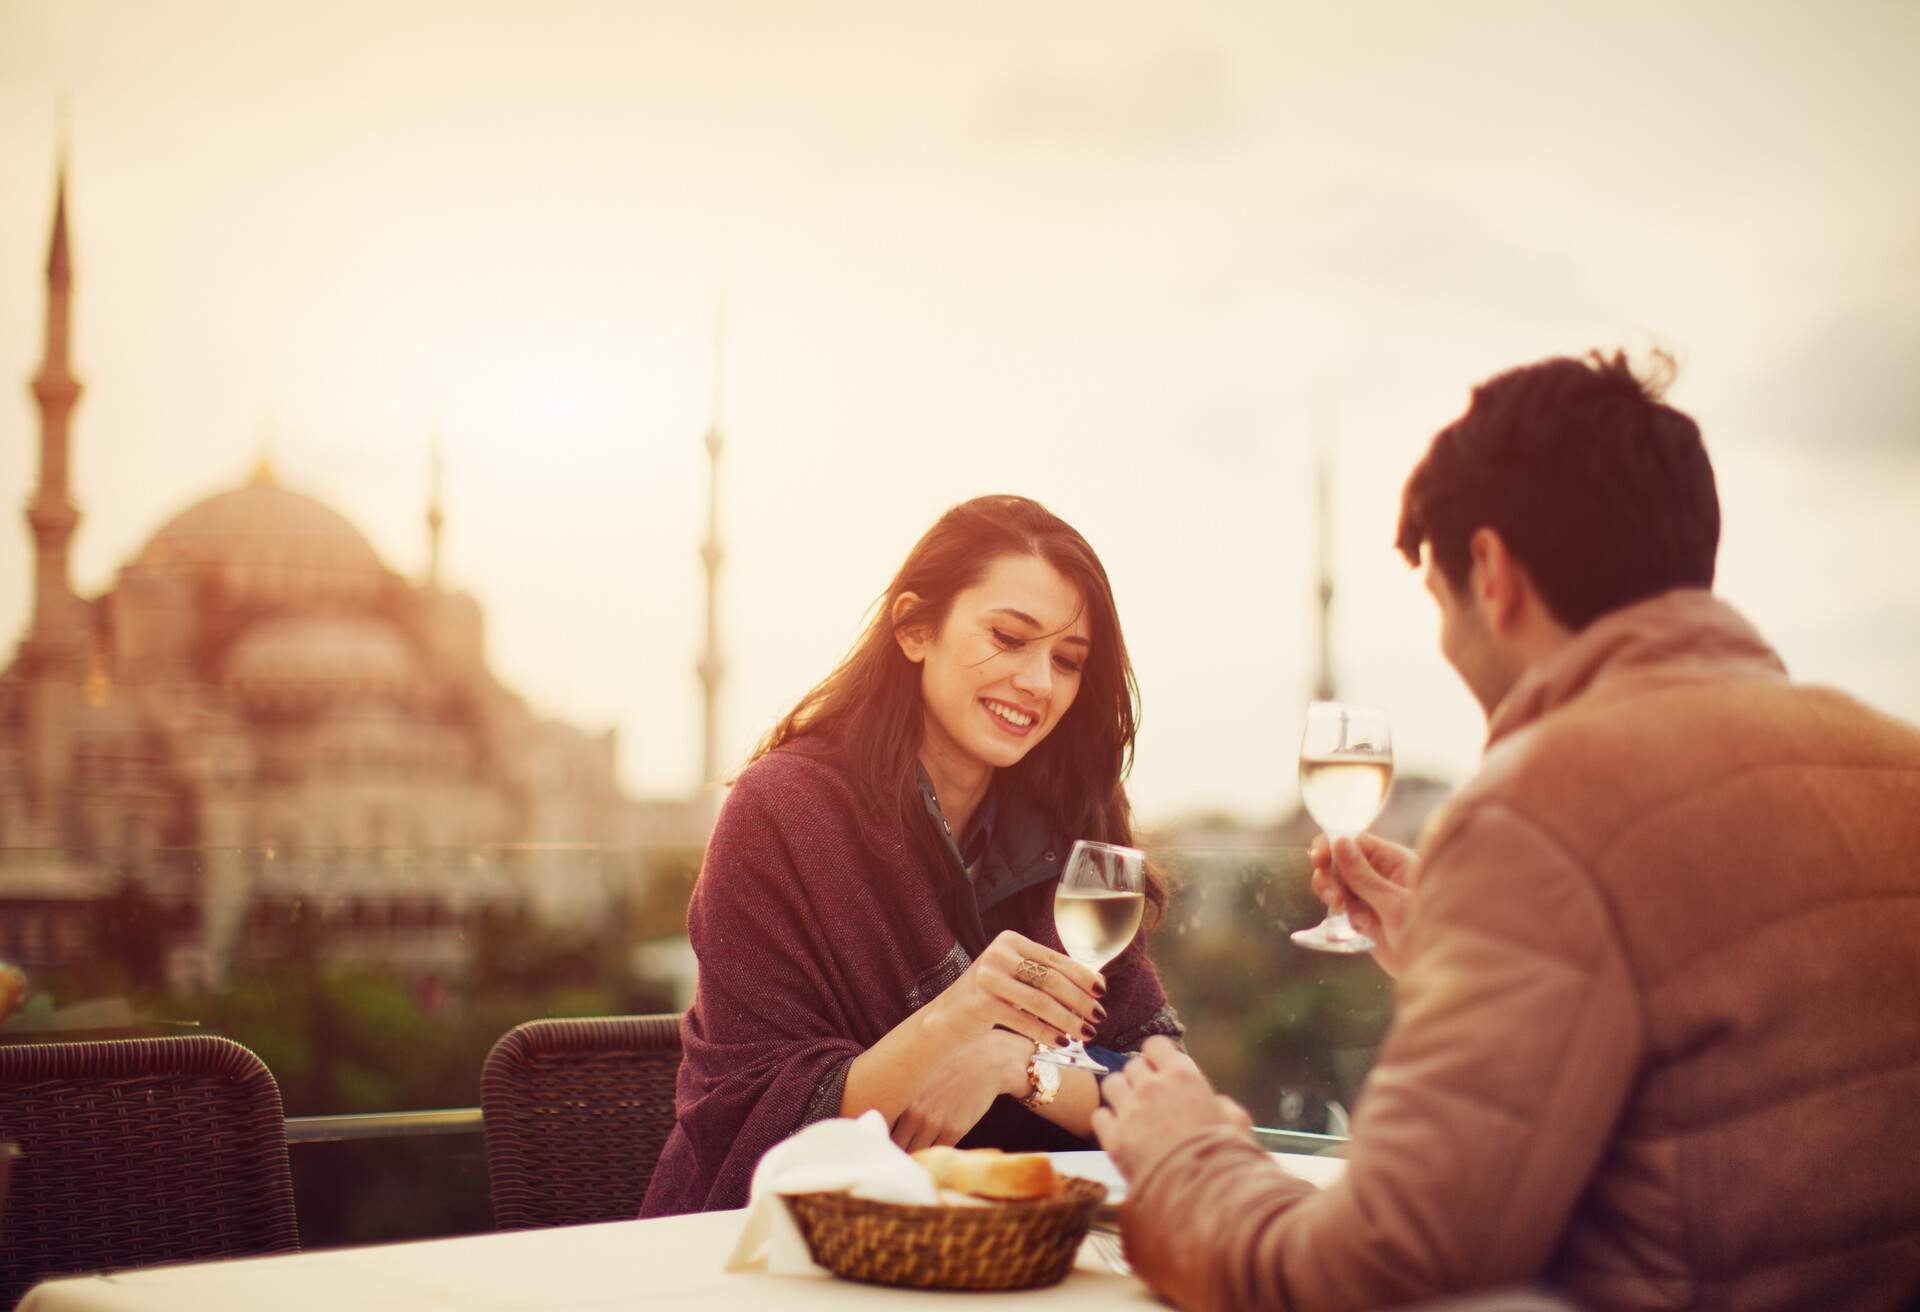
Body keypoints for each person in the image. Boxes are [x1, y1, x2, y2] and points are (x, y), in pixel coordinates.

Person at [1093, 351, 1920, 1310]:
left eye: (1440, 604)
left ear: (1490, 573)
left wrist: (1186, 1156)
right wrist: (1462, 941)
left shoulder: (1544, 804)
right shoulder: (1890, 761)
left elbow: (1371, 1272)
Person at [641, 494, 1183, 1216]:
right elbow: (755, 1123)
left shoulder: (1069, 825)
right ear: (914, 628)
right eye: (1009, 637)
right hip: (781, 1249)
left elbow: (1167, 1089)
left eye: (1068, 659)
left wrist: (1016, 1065)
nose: (1039, 683)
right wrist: (954, 1020)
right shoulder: (783, 812)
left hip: (1008, 1253)